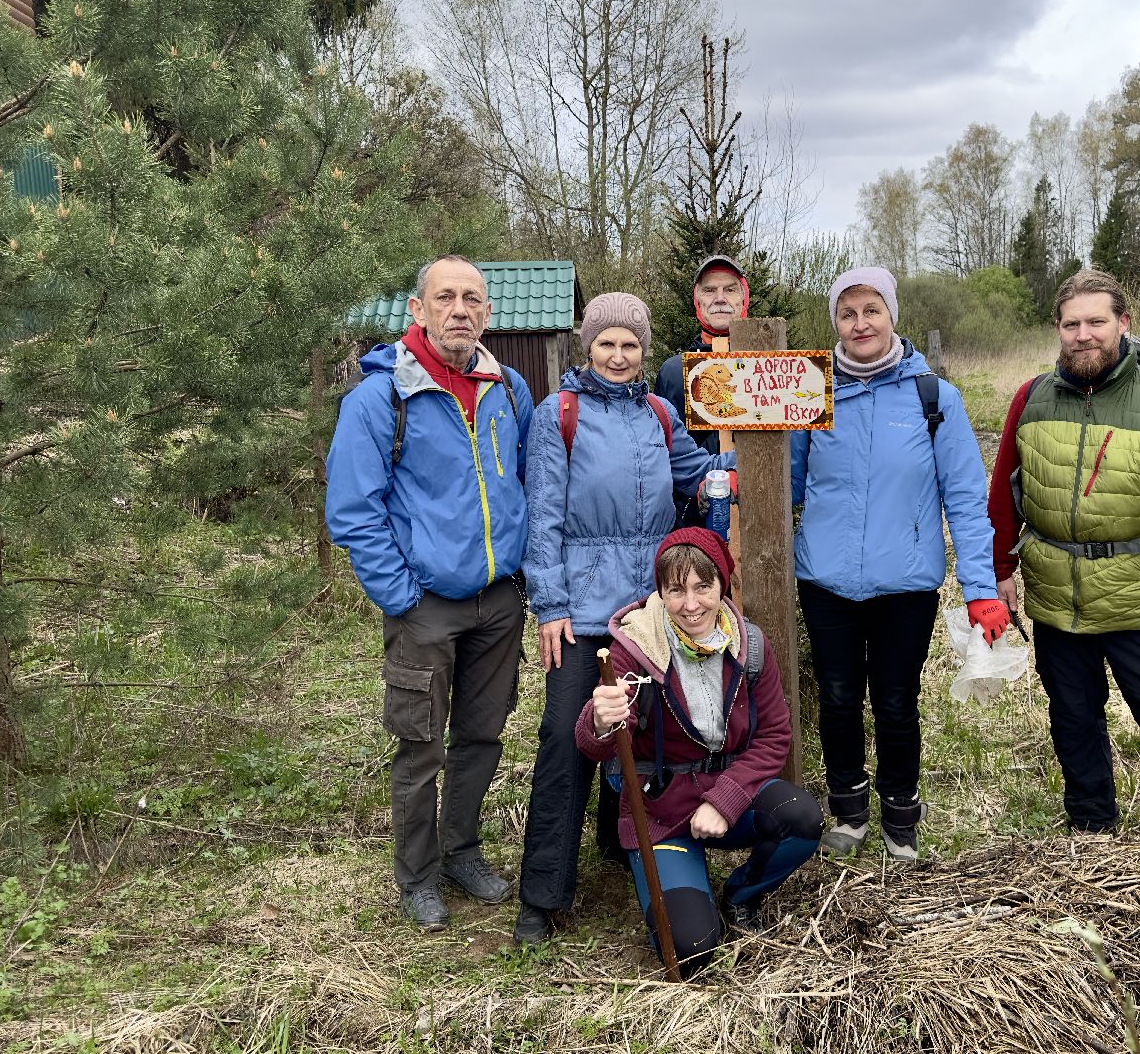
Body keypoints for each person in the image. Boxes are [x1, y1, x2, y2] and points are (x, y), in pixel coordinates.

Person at [514, 293, 735, 945]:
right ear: (589, 346)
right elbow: (543, 514)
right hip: (581, 609)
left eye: (630, 345)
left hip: (650, 608)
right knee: (565, 737)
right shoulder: (560, 414)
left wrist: (755, 453)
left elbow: (696, 476)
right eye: (607, 343)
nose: (618, 355)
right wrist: (549, 604)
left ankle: (620, 842)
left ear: (643, 352)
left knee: (643, 730)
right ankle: (542, 892)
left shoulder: (659, 414)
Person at [987, 269, 1140, 837]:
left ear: (1123, 323)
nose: (1084, 335)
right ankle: (1092, 828)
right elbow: (1003, 491)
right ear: (1057, 330)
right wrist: (1000, 570)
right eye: (1072, 324)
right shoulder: (1031, 397)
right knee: (1073, 718)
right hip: (1056, 595)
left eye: (1097, 322)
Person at [326, 255, 533, 932]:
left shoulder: (509, 390)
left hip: (499, 601)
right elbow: (354, 510)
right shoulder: (378, 399)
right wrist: (403, 597)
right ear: (417, 311)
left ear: (488, 314)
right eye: (445, 297)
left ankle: (461, 852)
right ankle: (416, 877)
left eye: (472, 299)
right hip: (425, 605)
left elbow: (530, 482)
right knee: (419, 746)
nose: (459, 310)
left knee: (481, 736)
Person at [790, 265, 1010, 861]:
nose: (860, 324)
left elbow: (965, 498)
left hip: (905, 582)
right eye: (847, 312)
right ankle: (848, 811)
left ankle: (900, 819)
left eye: (871, 311)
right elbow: (784, 482)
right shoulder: (812, 390)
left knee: (894, 699)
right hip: (825, 578)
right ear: (834, 320)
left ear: (892, 315)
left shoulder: (933, 397)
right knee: (837, 696)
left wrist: (980, 588)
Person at [576, 528, 822, 972]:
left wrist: (724, 802)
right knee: (693, 949)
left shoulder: (749, 646)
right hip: (661, 814)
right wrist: (598, 720)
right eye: (676, 590)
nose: (691, 605)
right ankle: (687, 893)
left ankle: (740, 895)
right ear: (661, 592)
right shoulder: (634, 650)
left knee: (801, 818)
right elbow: (604, 743)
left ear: (721, 585)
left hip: (728, 797)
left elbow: (773, 739)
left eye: (702, 587)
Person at [654, 255, 749, 524]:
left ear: (744, 299)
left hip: (761, 513)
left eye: (730, 289)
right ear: (698, 302)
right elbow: (664, 455)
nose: (720, 298)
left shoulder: (770, 365)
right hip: (694, 515)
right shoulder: (674, 371)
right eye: (709, 290)